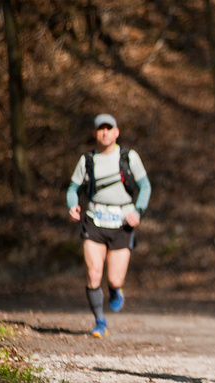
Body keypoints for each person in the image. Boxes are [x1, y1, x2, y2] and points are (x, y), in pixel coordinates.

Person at [66, 114, 152, 337]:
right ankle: (99, 321)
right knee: (94, 273)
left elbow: (145, 186)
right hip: (94, 221)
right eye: (100, 129)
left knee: (115, 278)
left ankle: (115, 289)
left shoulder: (128, 157)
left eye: (109, 128)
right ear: (95, 133)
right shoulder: (87, 160)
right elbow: (73, 189)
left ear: (116, 132)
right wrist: (73, 206)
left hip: (122, 223)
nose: (105, 132)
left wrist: (138, 211)